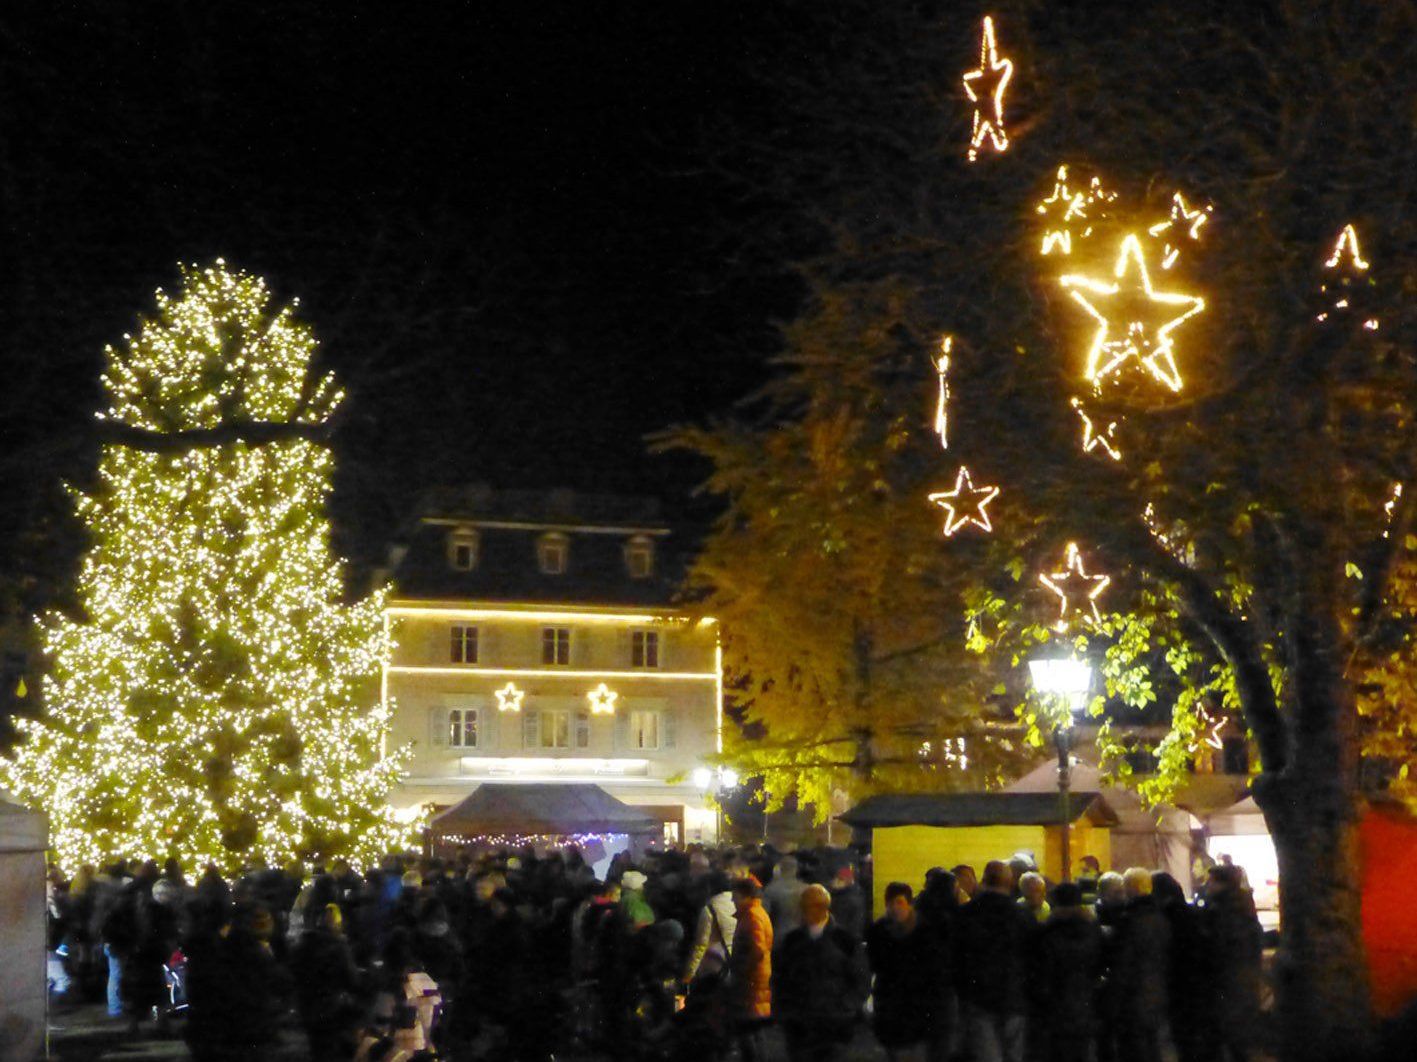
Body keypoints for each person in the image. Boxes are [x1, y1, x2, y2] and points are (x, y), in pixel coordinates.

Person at [774, 883, 868, 1061]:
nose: (805, 911)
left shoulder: (844, 941)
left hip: (832, 1025)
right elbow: (781, 977)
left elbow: (860, 980)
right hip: (801, 1025)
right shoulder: (792, 940)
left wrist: (844, 1007)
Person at [954, 860, 1033, 1062]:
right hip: (1014, 996)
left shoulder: (967, 913)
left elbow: (958, 956)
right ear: (1010, 883)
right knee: (1014, 1054)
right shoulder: (1022, 915)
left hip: (979, 997)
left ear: (984, 880)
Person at [867, 882, 941, 1061]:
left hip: (916, 1003)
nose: (894, 907)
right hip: (890, 1002)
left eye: (899, 902)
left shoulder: (925, 930)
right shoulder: (879, 930)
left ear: (909, 903)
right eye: (891, 903)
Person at [1030, 883, 1102, 1062]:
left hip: (1056, 1001)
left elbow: (1042, 967)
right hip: (1086, 998)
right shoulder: (1093, 929)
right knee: (1082, 1049)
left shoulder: (1047, 931)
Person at [1198, 864, 1263, 1062]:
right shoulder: (1243, 906)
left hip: (1226, 983)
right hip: (1242, 981)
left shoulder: (1222, 910)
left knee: (1227, 1039)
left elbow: (1217, 947)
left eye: (1211, 881)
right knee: (1237, 1039)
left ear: (1222, 884)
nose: (1206, 884)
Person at [1111, 868, 1171, 1062]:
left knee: (1135, 1045)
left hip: (1134, 990)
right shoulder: (1161, 917)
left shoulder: (1129, 919)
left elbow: (1123, 961)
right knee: (1153, 1041)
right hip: (1157, 987)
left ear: (1131, 888)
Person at [292, 903, 362, 1062]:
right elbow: (352, 980)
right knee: (329, 1048)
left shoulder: (303, 943)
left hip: (307, 1004)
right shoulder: (338, 946)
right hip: (330, 1006)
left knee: (315, 1045)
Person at [914, 868, 959, 1062]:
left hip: (920, 982)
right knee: (943, 1036)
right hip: (945, 983)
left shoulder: (918, 909)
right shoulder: (952, 914)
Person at [727, 876, 773, 1062]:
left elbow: (758, 950)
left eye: (734, 896)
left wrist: (743, 970)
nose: (732, 900)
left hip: (751, 981)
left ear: (744, 895)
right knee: (755, 1029)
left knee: (747, 1028)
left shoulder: (752, 916)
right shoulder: (755, 913)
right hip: (756, 979)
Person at [763, 855, 808, 946]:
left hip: (779, 937)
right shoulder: (806, 888)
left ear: (780, 869)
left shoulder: (771, 889)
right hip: (802, 937)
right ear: (796, 869)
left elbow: (765, 916)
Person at [828, 864, 867, 940]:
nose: (836, 881)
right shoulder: (838, 894)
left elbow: (854, 924)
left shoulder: (852, 897)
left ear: (848, 879)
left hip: (846, 938)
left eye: (840, 879)